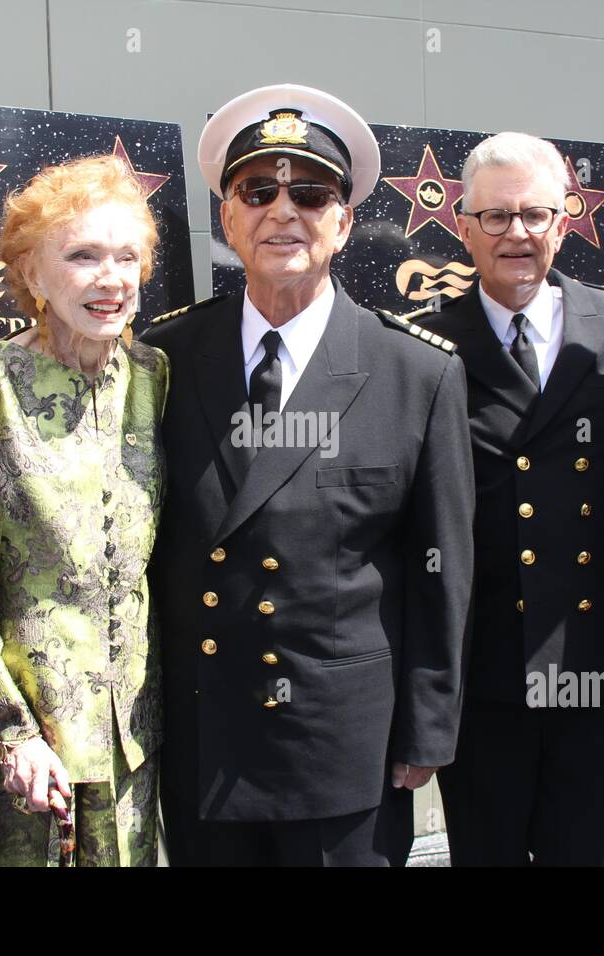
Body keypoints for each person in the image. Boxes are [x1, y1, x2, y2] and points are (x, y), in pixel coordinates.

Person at [142, 83, 474, 867]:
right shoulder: (166, 358)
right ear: (227, 217)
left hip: (340, 745)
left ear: (345, 221)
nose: (282, 212)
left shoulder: (415, 372)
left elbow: (443, 571)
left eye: (312, 193)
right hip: (206, 738)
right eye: (257, 191)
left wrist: (427, 730)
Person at [416, 132, 604, 865]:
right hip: (484, 671)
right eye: (496, 216)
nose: (517, 233)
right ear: (462, 225)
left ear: (565, 220)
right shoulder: (425, 346)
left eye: (535, 215)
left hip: (595, 658)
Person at [0, 155, 167, 867]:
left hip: (137, 732)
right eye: (83, 256)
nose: (111, 278)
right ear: (32, 275)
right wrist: (9, 734)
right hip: (35, 747)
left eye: (127, 256)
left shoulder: (154, 377)